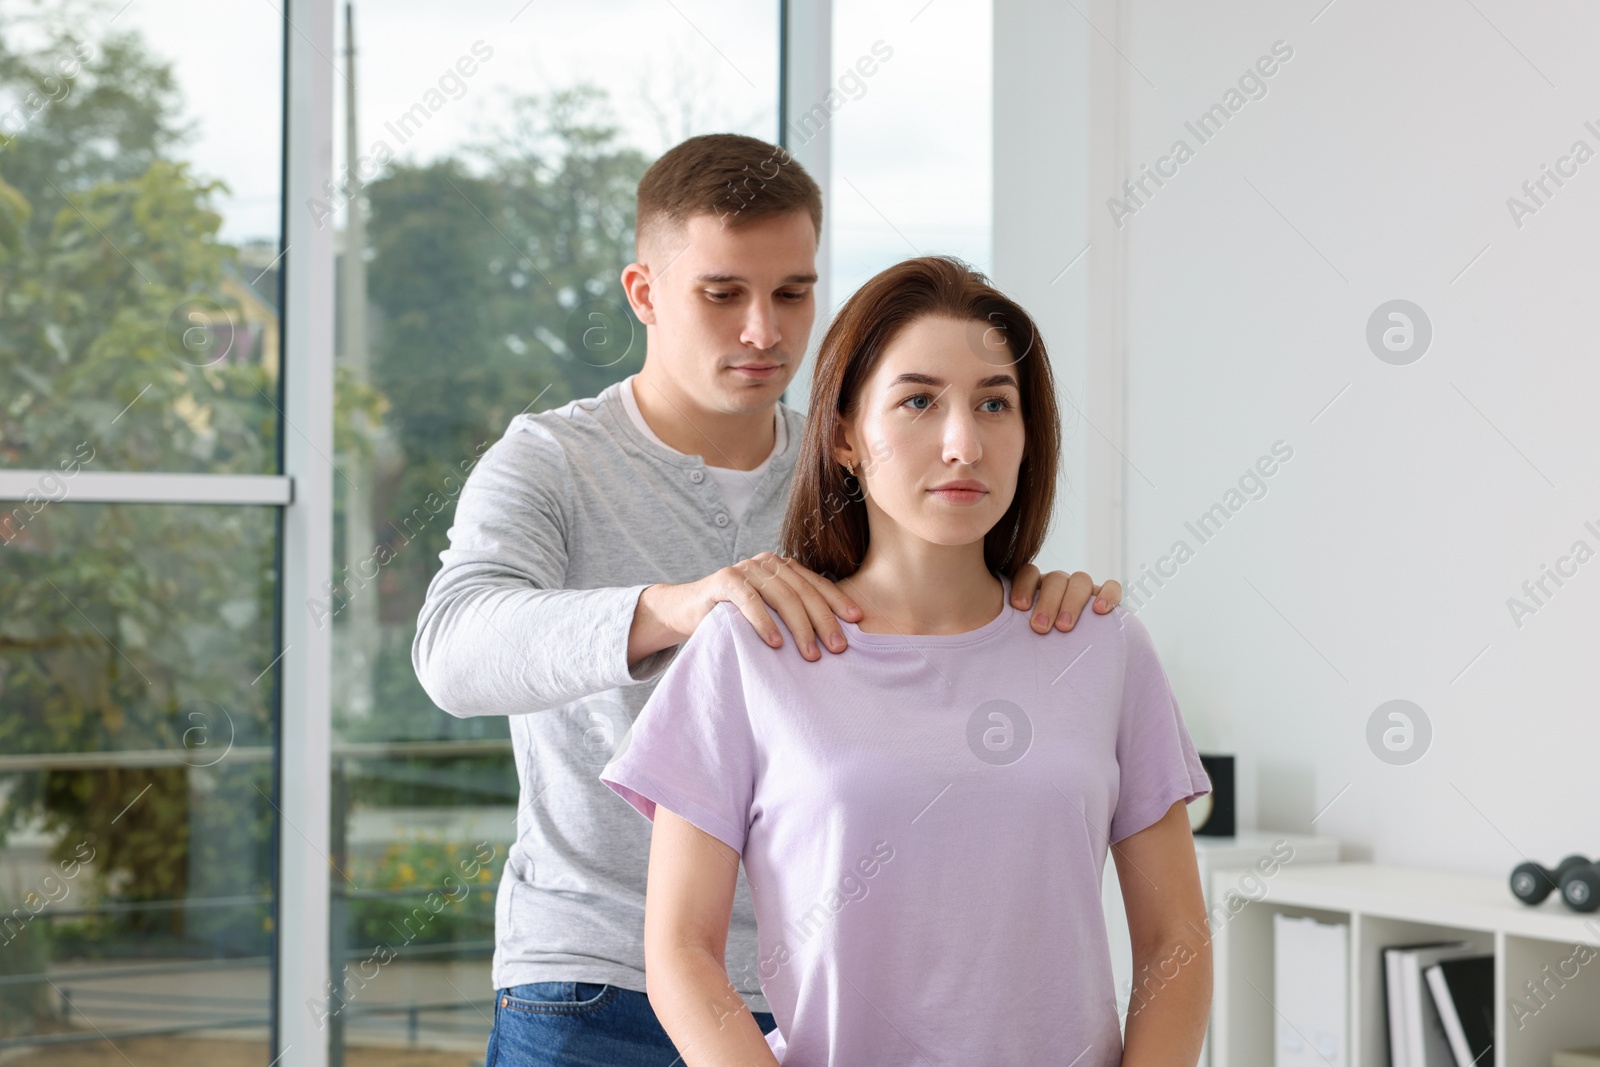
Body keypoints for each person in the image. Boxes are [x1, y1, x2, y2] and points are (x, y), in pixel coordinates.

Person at [411, 134, 1125, 1065]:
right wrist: (680, 605)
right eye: (724, 294)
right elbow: (453, 652)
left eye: (793, 292)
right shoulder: (553, 461)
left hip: (825, 985)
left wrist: (1023, 596)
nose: (764, 330)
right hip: (598, 980)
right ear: (644, 293)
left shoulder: (855, 457)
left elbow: (942, 616)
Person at [598, 254, 1213, 1066]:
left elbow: (1177, 937)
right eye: (919, 401)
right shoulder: (747, 651)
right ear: (848, 436)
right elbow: (680, 951)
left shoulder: (1101, 645)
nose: (964, 442)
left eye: (995, 403)